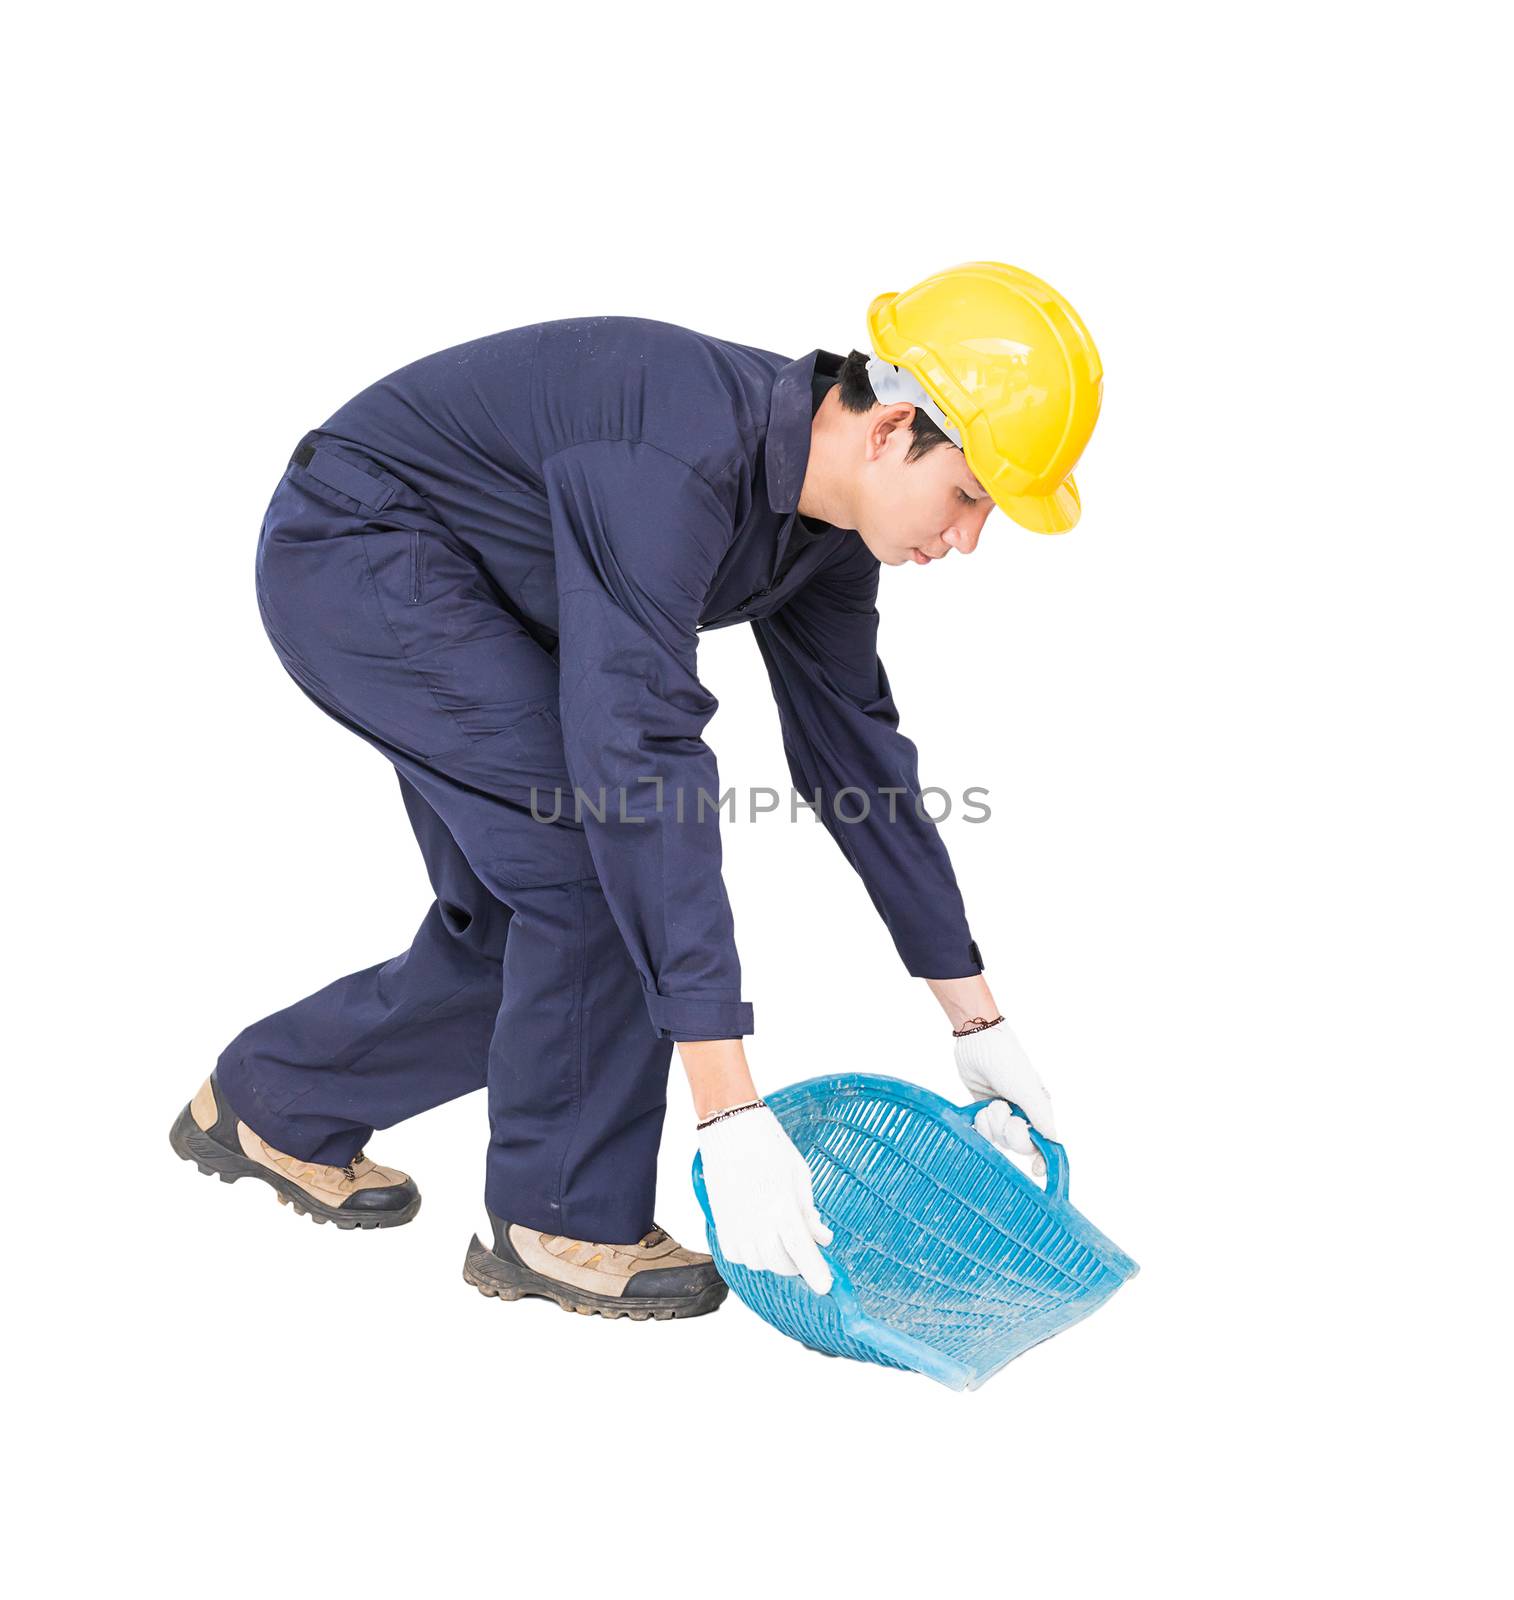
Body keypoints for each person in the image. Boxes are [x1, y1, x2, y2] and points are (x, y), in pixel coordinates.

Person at [171, 260, 1104, 1322]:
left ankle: (275, 1100)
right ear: (891, 430)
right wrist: (727, 1109)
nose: (968, 536)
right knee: (589, 867)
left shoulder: (829, 532)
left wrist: (970, 1013)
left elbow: (856, 765)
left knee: (531, 916)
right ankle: (559, 1216)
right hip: (362, 552)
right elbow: (641, 762)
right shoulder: (675, 458)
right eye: (969, 495)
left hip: (496, 593)